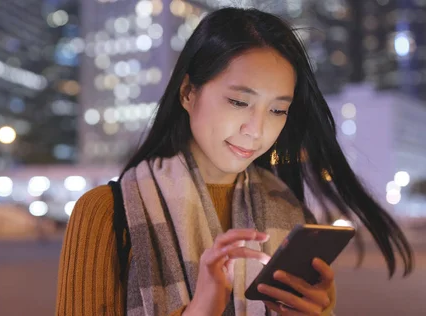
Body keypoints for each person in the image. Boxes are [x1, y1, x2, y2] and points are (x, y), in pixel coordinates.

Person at [56, 7, 413, 316]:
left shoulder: (291, 215)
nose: (256, 130)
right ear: (187, 92)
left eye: (277, 110)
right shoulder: (106, 213)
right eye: (239, 102)